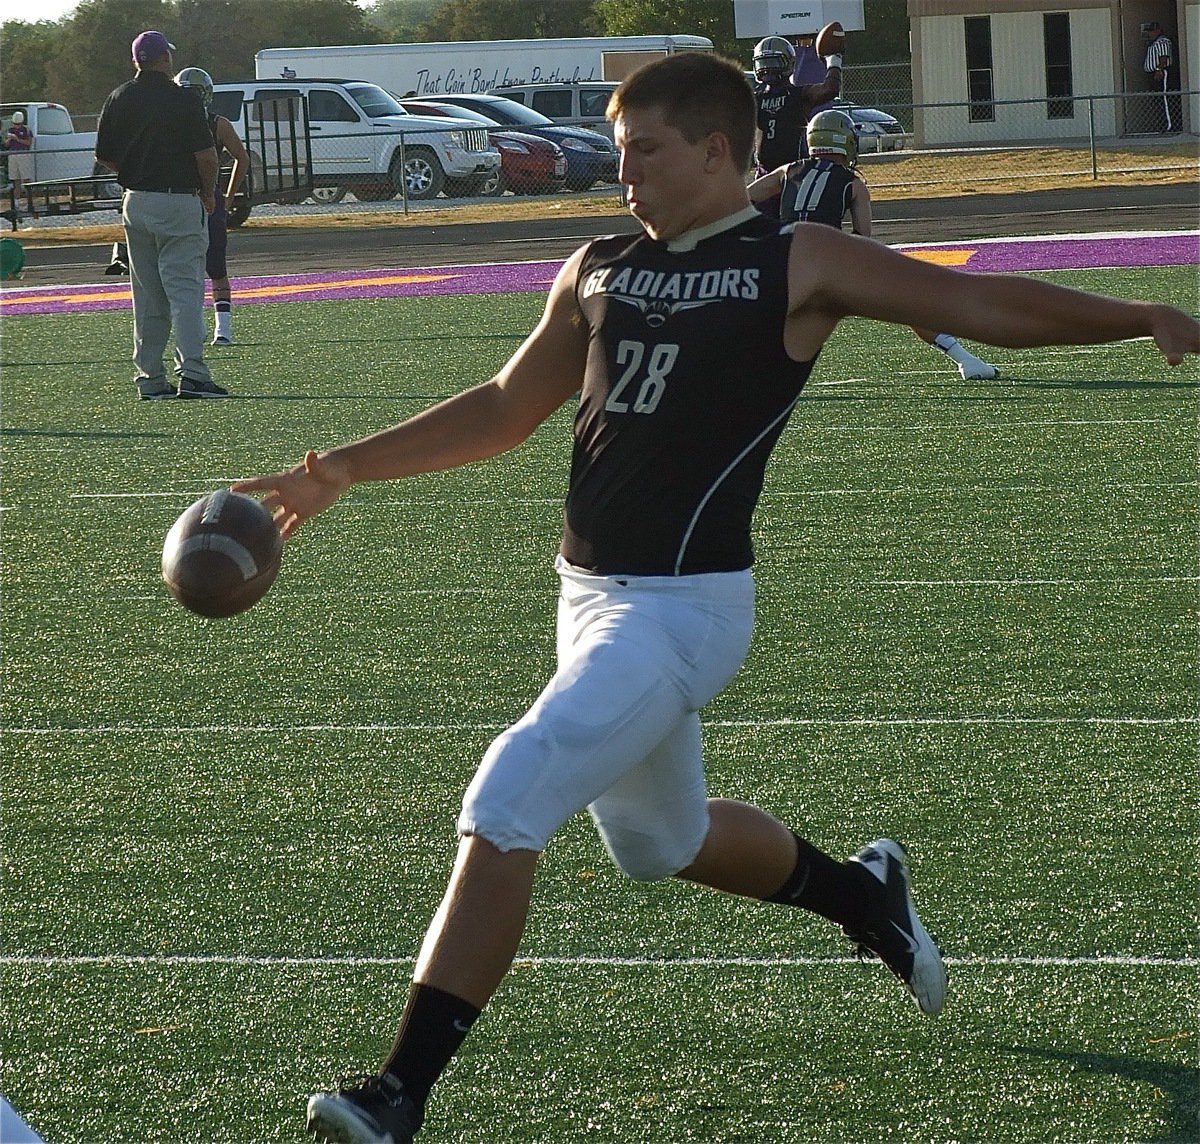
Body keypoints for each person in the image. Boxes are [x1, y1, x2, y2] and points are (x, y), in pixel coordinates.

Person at [233, 52, 1199, 1144]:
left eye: (644, 150)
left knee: (509, 797)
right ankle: (862, 893)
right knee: (660, 841)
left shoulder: (796, 259)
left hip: (684, 610)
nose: (624, 172)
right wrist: (349, 465)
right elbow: (509, 404)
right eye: (620, 149)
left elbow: (973, 297)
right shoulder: (597, 264)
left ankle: (396, 1090)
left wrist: (1134, 314)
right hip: (587, 598)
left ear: (718, 149)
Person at [749, 108, 999, 381]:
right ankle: (966, 361)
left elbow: (745, 197)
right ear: (845, 141)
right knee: (908, 301)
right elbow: (862, 236)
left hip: (785, 259)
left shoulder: (788, 171)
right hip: (828, 265)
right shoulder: (853, 184)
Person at [95, 30, 228, 400]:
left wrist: (137, 167)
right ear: (165, 59)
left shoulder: (118, 97)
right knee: (184, 291)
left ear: (136, 60)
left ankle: (150, 377)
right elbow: (206, 156)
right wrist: (206, 192)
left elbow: (104, 154)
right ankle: (194, 374)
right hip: (177, 200)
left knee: (148, 294)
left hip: (135, 201)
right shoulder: (182, 99)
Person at [175, 67, 250, 345]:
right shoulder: (170, 124)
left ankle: (223, 329)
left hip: (205, 201)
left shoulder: (217, 124)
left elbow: (241, 157)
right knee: (184, 269)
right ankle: (197, 328)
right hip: (181, 200)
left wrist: (228, 197)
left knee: (215, 265)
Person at [752, 34, 841, 172]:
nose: (767, 69)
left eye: (774, 63)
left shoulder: (799, 95)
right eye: (763, 63)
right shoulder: (754, 99)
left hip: (795, 171)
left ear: (790, 63)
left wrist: (834, 61)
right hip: (764, 172)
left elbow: (830, 89)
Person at [1141, 22, 1177, 133]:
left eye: (1152, 31)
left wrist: (1159, 69)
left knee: (1164, 98)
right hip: (1152, 74)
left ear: (1158, 30)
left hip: (1161, 73)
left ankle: (1169, 126)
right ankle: (1162, 125)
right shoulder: (1152, 43)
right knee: (1157, 100)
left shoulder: (1162, 41)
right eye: (1149, 31)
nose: (1150, 33)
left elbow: (1163, 57)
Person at [5, 110, 35, 207]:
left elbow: (29, 143)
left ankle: (29, 200)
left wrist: (17, 139)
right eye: (14, 124)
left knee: (25, 178)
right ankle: (16, 202)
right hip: (13, 155)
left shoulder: (26, 130)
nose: (16, 126)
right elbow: (6, 144)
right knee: (16, 179)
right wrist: (10, 138)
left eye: (17, 124)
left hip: (23, 154)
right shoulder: (10, 130)